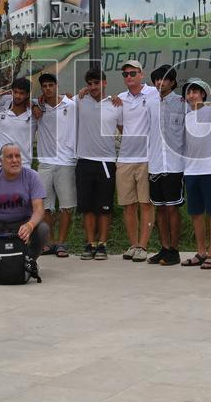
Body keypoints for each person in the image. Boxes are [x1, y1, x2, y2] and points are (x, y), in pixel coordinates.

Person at [75, 68, 121, 260]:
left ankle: (102, 244)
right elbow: (61, 99)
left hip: (106, 162)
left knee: (104, 208)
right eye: (90, 84)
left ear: (104, 82)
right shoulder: (80, 101)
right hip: (84, 161)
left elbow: (125, 129)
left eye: (97, 83)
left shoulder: (116, 105)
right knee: (87, 207)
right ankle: (89, 243)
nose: (93, 87)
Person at [114, 60, 158, 263]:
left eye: (133, 73)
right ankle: (133, 244)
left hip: (147, 158)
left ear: (142, 74)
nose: (129, 77)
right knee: (128, 205)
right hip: (125, 158)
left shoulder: (153, 94)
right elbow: (122, 127)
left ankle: (143, 245)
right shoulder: (120, 99)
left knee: (146, 204)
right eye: (125, 74)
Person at [31, 73, 77, 258]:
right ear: (41, 88)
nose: (48, 88)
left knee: (66, 206)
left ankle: (62, 243)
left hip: (66, 161)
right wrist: (35, 102)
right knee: (45, 206)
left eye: (51, 85)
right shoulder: (38, 107)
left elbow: (87, 99)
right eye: (45, 86)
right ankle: (49, 242)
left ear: (57, 85)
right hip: (45, 162)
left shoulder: (71, 105)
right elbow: (22, 100)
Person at [180, 78, 211, 270]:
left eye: (196, 91)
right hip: (191, 170)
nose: (192, 95)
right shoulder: (185, 116)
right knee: (196, 213)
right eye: (189, 92)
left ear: (203, 94)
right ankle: (200, 252)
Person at [146, 64, 185, 266]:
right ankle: (164, 248)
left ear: (172, 82)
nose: (160, 83)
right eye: (157, 80)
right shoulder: (150, 104)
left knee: (172, 209)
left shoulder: (182, 102)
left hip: (174, 164)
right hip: (155, 164)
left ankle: (175, 250)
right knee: (159, 209)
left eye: (164, 79)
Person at [0, 78, 34, 167]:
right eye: (15, 92)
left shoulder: (34, 114)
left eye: (22, 93)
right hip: (0, 163)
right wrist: (2, 91)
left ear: (28, 95)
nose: (17, 96)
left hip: (23, 164)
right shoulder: (1, 107)